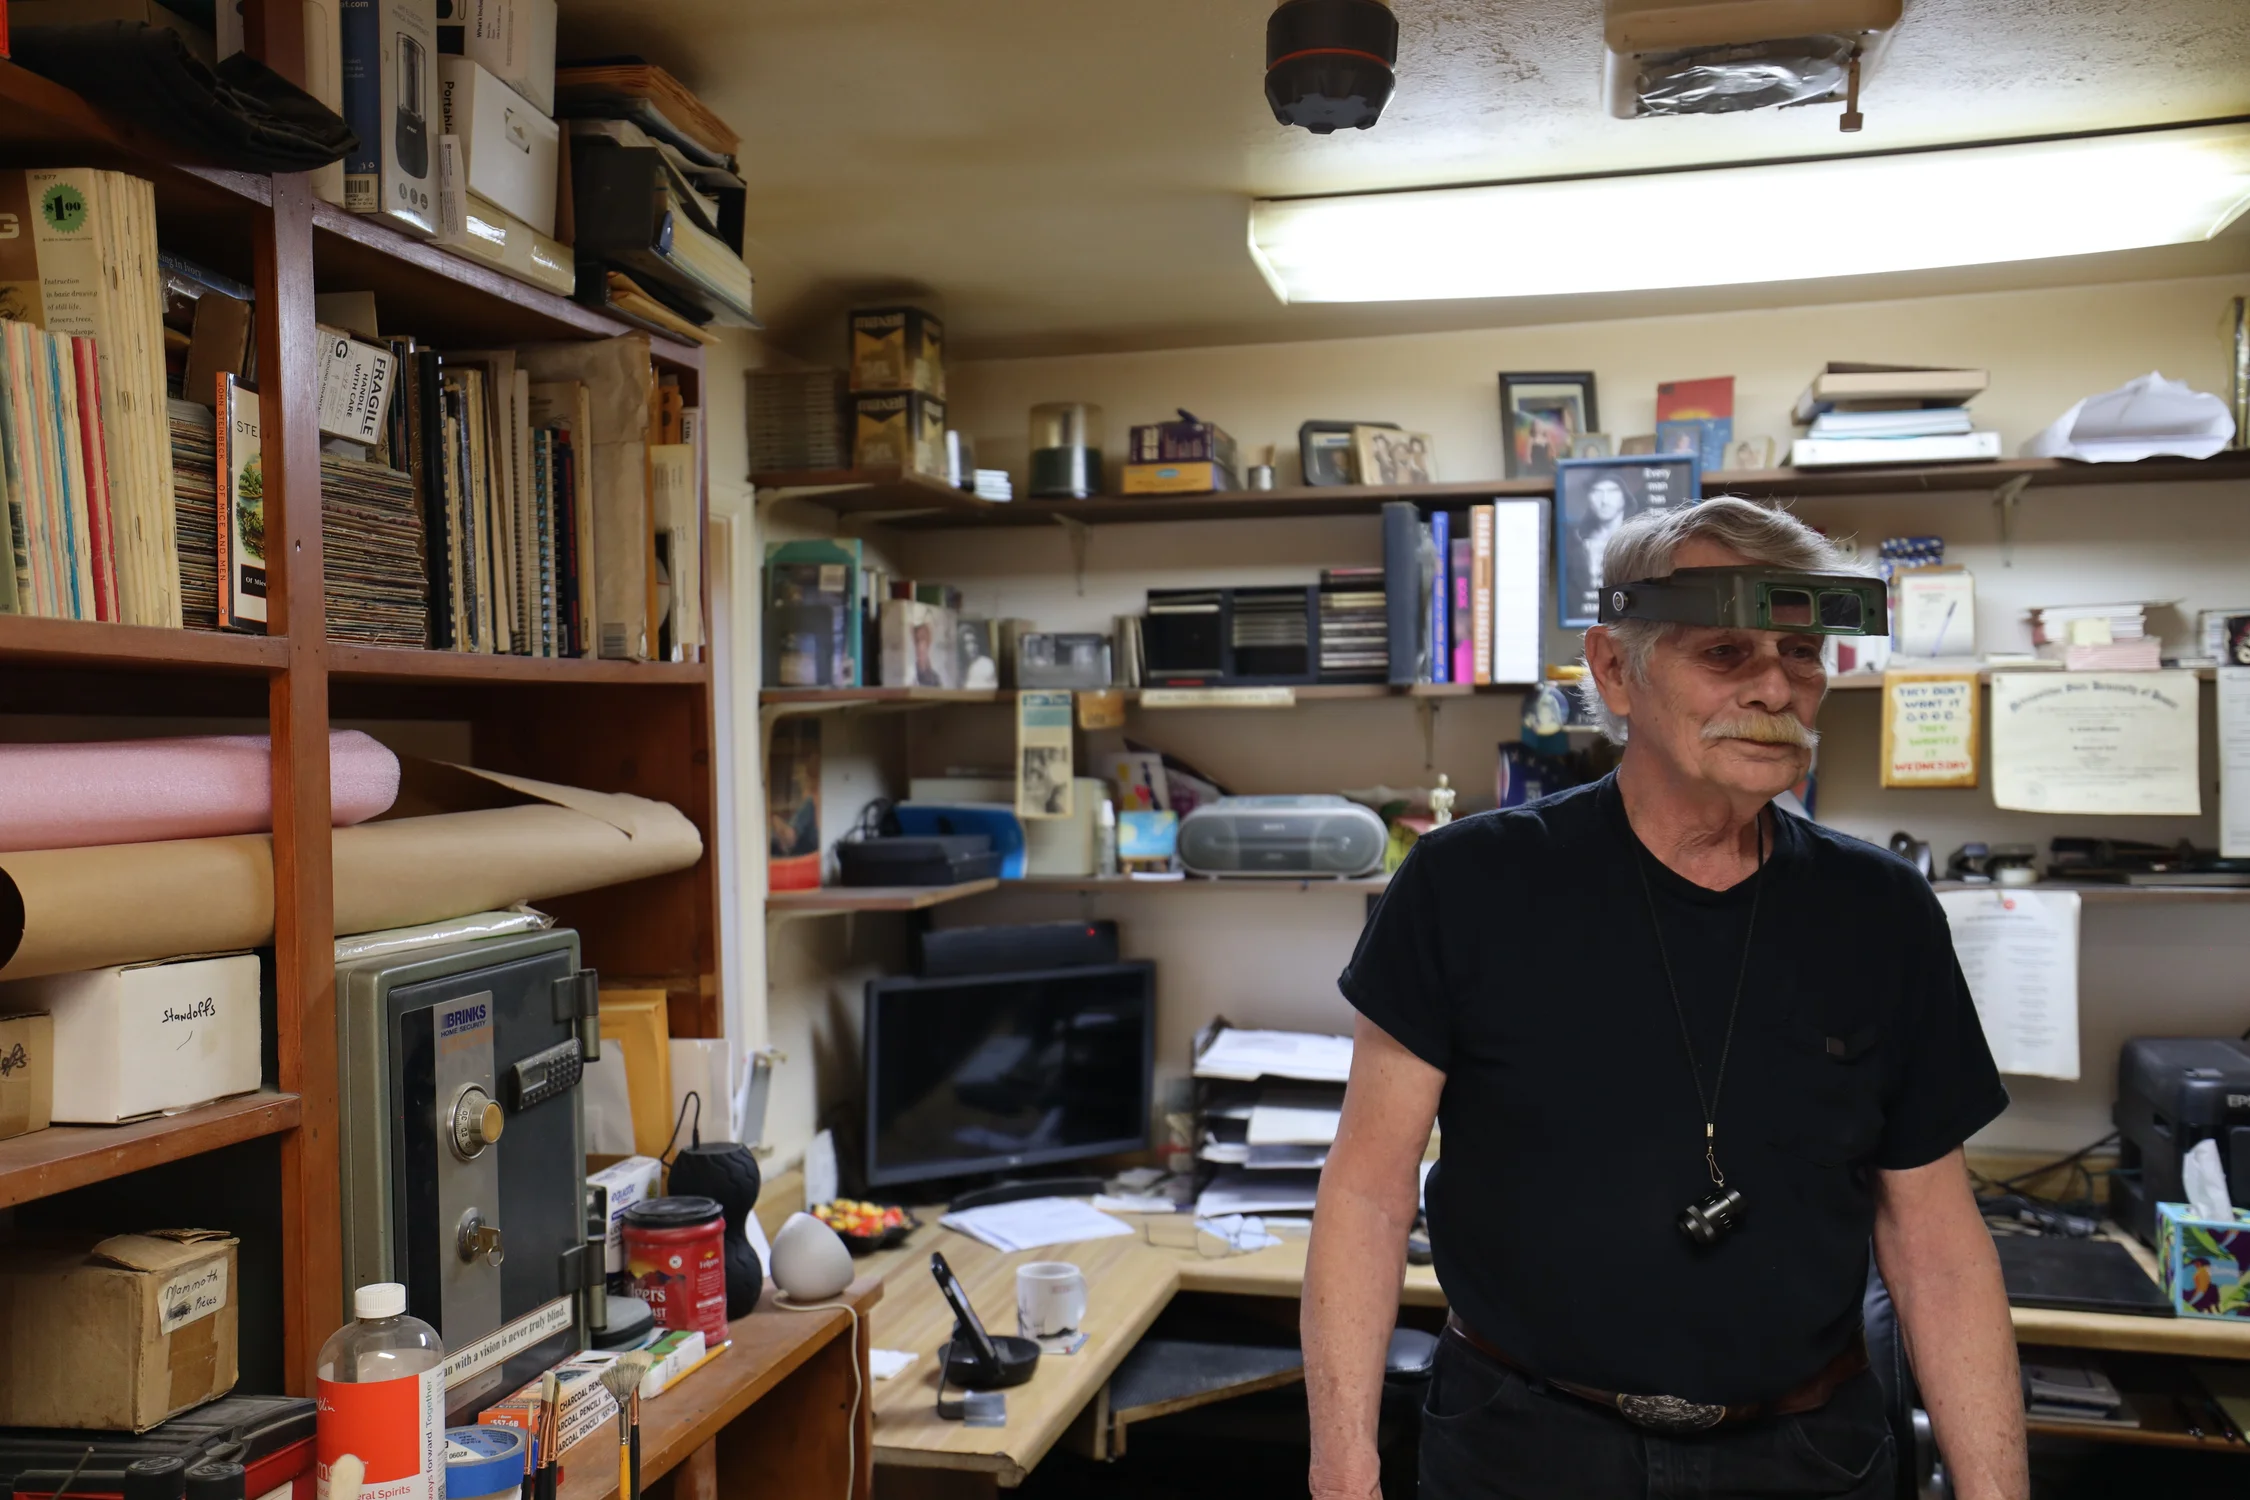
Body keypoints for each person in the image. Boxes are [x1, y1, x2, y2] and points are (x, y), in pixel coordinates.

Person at [1304, 497, 2026, 1500]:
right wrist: (1342, 1469)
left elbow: (1939, 1249)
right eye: (1726, 654)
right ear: (1614, 669)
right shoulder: (1468, 885)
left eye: (1803, 653)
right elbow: (1370, 1193)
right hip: (1521, 1447)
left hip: (1808, 1456)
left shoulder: (1881, 911)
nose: (1776, 686)